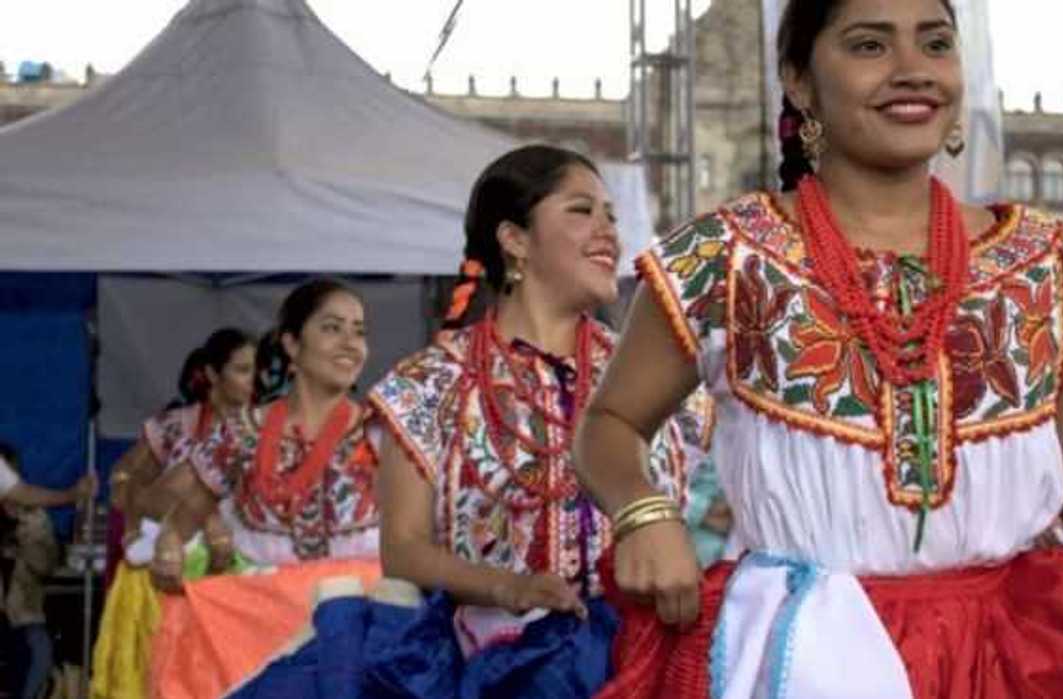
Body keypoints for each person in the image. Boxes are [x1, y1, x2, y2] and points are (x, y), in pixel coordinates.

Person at [573, 1, 1063, 697]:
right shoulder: (724, 258)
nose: (913, 70)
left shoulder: (1041, 261)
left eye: (935, 43)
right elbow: (609, 423)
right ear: (797, 79)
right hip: (810, 655)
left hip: (1017, 655)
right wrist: (642, 511)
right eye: (869, 46)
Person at [228, 145, 711, 699]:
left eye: (611, 216)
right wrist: (507, 587)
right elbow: (403, 548)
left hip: (640, 662)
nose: (609, 232)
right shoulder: (428, 384)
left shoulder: (649, 375)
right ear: (515, 239)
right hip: (486, 666)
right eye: (582, 211)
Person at [152, 280, 378, 588]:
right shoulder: (240, 431)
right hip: (260, 610)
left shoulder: (384, 435)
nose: (351, 343)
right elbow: (179, 519)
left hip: (361, 610)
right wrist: (168, 544)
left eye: (359, 332)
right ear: (292, 344)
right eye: (332, 328)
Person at [91, 329, 255, 699]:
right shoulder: (175, 426)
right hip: (170, 574)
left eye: (257, 371)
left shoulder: (262, 428)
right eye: (243, 370)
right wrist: (139, 519)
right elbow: (123, 480)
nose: (253, 380)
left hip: (236, 574)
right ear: (212, 374)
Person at [0, 442, 92, 699]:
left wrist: (25, 530)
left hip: (22, 617)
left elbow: (45, 566)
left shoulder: (32, 516)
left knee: (38, 650)